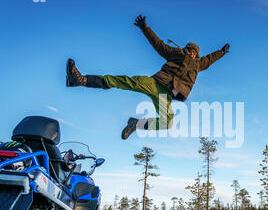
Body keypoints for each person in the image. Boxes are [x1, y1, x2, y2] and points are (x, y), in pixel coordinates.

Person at [66, 15, 230, 140]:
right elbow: (158, 44)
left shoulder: (198, 64)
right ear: (186, 49)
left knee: (168, 122)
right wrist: (145, 29)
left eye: (194, 52)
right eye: (190, 50)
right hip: (155, 83)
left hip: (166, 96)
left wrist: (221, 52)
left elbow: (210, 59)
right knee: (126, 82)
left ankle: (136, 125)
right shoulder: (177, 53)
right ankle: (82, 80)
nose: (192, 53)